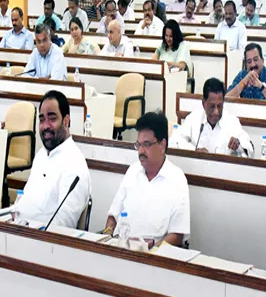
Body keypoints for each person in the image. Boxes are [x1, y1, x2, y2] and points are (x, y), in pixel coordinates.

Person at [103, 111, 190, 247]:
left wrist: (150, 253)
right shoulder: (132, 171)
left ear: (162, 145)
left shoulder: (177, 179)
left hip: (153, 257)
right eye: (138, 144)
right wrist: (107, 237)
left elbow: (177, 235)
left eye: (147, 144)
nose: (140, 151)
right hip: (120, 249)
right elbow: (113, 216)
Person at [14, 90, 91, 227]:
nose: (45, 126)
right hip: (19, 230)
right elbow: (23, 203)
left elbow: (64, 224)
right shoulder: (41, 155)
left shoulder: (74, 164)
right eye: (42, 119)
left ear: (66, 121)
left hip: (43, 241)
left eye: (52, 118)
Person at [171, 78, 253, 157]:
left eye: (219, 106)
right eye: (212, 106)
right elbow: (175, 141)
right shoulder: (194, 118)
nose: (216, 112)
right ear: (203, 103)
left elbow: (249, 148)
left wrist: (238, 145)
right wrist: (195, 151)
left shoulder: (232, 121)